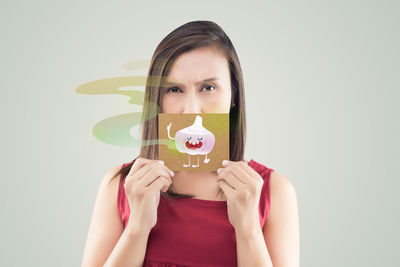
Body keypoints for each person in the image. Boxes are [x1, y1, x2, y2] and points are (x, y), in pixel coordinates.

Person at [81, 20, 300, 267]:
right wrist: (137, 228)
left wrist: (248, 229)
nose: (192, 110)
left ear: (234, 96)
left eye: (208, 87)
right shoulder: (120, 186)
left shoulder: (274, 192)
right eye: (174, 90)